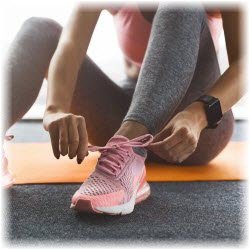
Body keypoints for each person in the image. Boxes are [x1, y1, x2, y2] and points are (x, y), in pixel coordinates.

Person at [2, 3, 245, 215]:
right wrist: (55, 108)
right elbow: (69, 45)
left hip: (197, 128)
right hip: (125, 115)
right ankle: (126, 148)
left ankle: (130, 151)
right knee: (38, 30)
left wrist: (199, 115)